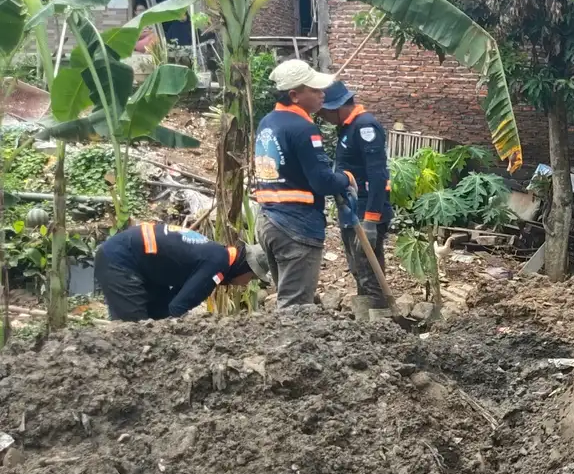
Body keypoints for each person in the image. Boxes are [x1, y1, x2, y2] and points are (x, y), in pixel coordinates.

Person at [252, 59, 356, 308]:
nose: (323, 95)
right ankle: (285, 346)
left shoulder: (268, 122)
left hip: (269, 220)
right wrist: (346, 178)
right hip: (295, 225)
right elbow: (322, 182)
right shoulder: (303, 128)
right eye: (315, 90)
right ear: (295, 95)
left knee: (286, 300)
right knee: (295, 309)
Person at [95, 221, 269, 321]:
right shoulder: (217, 266)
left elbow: (169, 307)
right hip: (121, 260)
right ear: (245, 267)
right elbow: (178, 308)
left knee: (157, 315)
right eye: (251, 277)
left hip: (140, 263)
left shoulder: (215, 254)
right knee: (134, 332)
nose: (246, 284)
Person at [319, 81, 391, 322]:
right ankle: (367, 319)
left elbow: (378, 175)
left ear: (336, 107)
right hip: (351, 210)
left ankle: (378, 322)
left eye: (324, 112)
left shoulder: (365, 126)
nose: (323, 118)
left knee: (369, 270)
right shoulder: (347, 127)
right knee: (359, 268)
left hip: (365, 211)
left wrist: (371, 219)